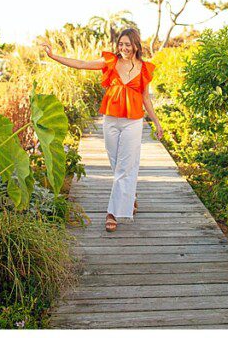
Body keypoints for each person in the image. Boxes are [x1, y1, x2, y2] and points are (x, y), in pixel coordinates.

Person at [40, 28, 164, 232]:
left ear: (136, 46)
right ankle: (130, 195)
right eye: (121, 44)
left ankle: (112, 213)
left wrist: (157, 122)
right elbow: (82, 64)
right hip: (111, 119)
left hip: (133, 121)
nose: (123, 48)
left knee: (124, 167)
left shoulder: (144, 68)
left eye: (127, 44)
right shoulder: (110, 62)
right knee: (117, 164)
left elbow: (145, 98)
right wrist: (53, 56)